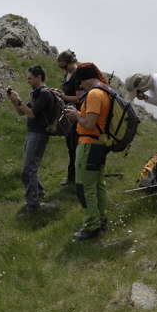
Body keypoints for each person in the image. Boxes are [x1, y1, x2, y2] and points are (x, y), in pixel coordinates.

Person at [64, 63, 111, 240]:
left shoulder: (93, 94)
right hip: (100, 144)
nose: (80, 87)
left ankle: (92, 227)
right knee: (98, 185)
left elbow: (89, 124)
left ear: (84, 79)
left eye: (80, 83)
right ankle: (101, 221)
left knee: (84, 187)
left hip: (88, 144)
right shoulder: (106, 91)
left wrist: (76, 116)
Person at [7, 65, 55, 213]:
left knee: (28, 170)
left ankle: (33, 205)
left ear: (38, 77)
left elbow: (32, 114)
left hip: (39, 134)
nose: (27, 81)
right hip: (32, 133)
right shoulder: (37, 93)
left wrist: (19, 101)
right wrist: (14, 101)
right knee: (30, 167)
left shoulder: (45, 94)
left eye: (30, 78)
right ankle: (38, 194)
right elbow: (23, 113)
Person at [49, 50, 83, 186]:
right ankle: (72, 177)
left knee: (75, 145)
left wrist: (62, 97)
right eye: (60, 67)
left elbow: (80, 98)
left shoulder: (77, 75)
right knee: (70, 145)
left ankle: (76, 178)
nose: (63, 69)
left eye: (64, 66)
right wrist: (60, 93)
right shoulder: (68, 74)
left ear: (72, 62)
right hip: (70, 115)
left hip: (77, 115)